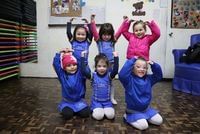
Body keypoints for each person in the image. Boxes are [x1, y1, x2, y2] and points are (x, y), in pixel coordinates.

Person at [119, 57, 163, 130]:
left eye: (144, 68)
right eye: (138, 67)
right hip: (133, 111)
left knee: (159, 121)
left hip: (146, 110)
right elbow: (122, 75)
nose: (141, 69)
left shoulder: (149, 79)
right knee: (144, 126)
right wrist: (132, 60)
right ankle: (127, 117)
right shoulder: (129, 80)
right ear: (133, 68)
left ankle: (144, 117)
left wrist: (154, 64)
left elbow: (158, 76)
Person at [90, 14, 124, 104]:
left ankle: (111, 97)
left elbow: (120, 31)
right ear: (101, 34)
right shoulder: (99, 41)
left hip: (111, 65)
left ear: (111, 34)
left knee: (110, 82)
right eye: (104, 34)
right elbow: (94, 31)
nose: (106, 36)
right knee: (97, 81)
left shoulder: (113, 41)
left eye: (109, 34)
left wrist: (125, 22)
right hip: (100, 65)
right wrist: (92, 21)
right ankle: (96, 96)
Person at [53, 48, 90, 120]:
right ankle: (71, 110)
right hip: (67, 102)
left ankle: (77, 109)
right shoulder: (62, 75)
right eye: (69, 65)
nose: (72, 67)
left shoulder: (80, 73)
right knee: (67, 115)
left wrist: (74, 52)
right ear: (64, 68)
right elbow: (56, 65)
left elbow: (81, 64)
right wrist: (58, 53)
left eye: (74, 64)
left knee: (85, 114)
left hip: (79, 102)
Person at [81, 51, 119, 120]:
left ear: (107, 67)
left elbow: (115, 71)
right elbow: (84, 71)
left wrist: (116, 57)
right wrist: (82, 57)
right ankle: (96, 110)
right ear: (95, 67)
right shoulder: (93, 76)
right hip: (96, 102)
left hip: (107, 102)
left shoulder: (109, 76)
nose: (102, 68)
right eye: (99, 66)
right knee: (99, 116)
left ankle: (103, 110)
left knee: (111, 116)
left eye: (104, 66)